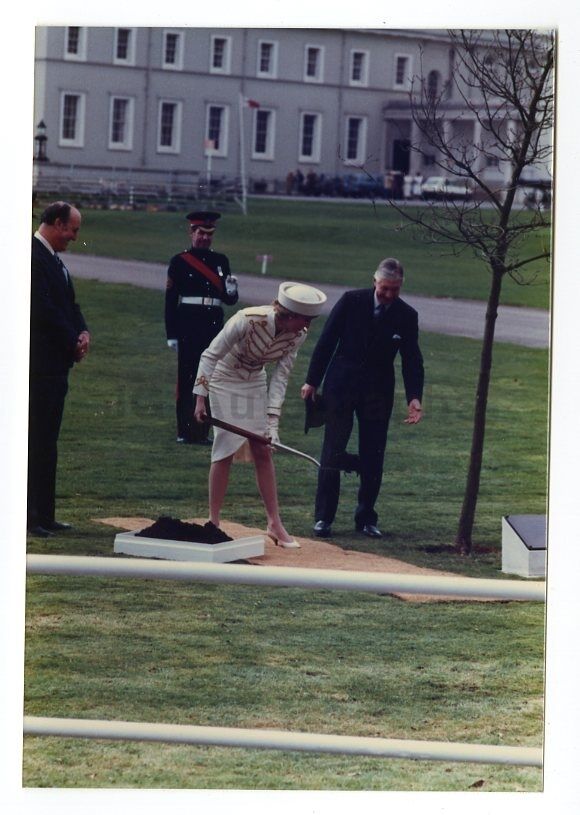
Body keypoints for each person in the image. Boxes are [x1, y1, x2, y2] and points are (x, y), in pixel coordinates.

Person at [193, 282, 327, 548]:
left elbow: (281, 377)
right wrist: (200, 398)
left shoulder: (297, 335)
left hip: (254, 380)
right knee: (225, 448)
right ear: (288, 313)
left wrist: (272, 423)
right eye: (305, 320)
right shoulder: (247, 319)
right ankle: (214, 522)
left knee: (263, 448)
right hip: (223, 376)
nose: (307, 327)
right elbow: (210, 355)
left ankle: (274, 523)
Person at [301, 258, 424, 540]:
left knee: (374, 454)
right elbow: (327, 342)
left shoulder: (407, 315)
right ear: (374, 282)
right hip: (340, 386)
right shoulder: (350, 301)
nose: (389, 295)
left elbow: (412, 360)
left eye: (394, 290)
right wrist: (312, 380)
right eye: (384, 289)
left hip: (378, 393)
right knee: (332, 450)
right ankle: (323, 518)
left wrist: (414, 397)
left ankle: (366, 517)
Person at [28, 201, 91, 537]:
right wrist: (71, 339)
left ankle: (45, 514)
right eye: (72, 229)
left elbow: (71, 305)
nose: (74, 237)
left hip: (57, 364)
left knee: (48, 441)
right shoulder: (32, 257)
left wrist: (82, 332)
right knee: (35, 440)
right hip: (39, 365)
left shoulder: (55, 260)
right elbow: (43, 308)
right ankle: (29, 516)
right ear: (55, 223)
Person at [165, 211, 239, 445]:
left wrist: (232, 289)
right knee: (188, 377)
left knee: (211, 377)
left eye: (209, 234)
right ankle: (185, 431)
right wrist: (172, 334)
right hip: (188, 324)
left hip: (213, 325)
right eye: (200, 233)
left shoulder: (221, 261)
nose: (205, 238)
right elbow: (170, 300)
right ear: (192, 232)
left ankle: (203, 431)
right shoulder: (179, 261)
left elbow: (229, 300)